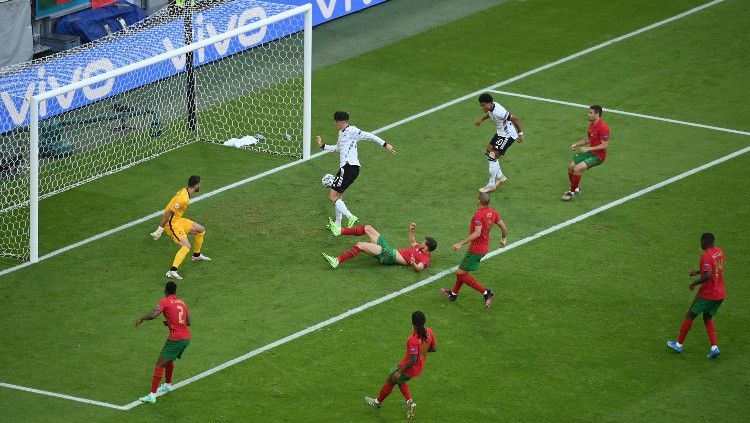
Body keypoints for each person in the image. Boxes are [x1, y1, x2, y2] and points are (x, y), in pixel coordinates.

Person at [316, 111, 396, 229]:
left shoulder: (352, 131)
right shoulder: (341, 133)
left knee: (333, 196)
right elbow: (338, 148)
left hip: (348, 167)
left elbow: (369, 136)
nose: (335, 124)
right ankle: (338, 226)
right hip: (350, 169)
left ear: (341, 122)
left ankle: (350, 216)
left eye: (336, 122)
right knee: (339, 195)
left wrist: (385, 144)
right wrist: (323, 146)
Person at [365, 311, 437, 420]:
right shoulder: (429, 332)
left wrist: (399, 371)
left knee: (391, 379)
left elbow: (412, 360)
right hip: (418, 366)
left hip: (409, 366)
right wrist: (422, 353)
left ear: (413, 323)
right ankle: (410, 402)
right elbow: (434, 348)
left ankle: (377, 402)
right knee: (398, 380)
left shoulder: (413, 339)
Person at [440, 192, 507, 308]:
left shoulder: (478, 215)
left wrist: (460, 243)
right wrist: (503, 239)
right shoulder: (493, 213)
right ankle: (453, 294)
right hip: (484, 248)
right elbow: (503, 226)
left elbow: (477, 233)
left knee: (460, 274)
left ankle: (486, 292)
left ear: (479, 200)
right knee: (463, 271)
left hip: (475, 250)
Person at [667, 233, 726, 359]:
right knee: (707, 317)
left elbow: (708, 276)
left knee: (690, 315)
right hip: (720, 294)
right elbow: (713, 268)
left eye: (701, 241)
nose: (700, 244)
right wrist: (697, 272)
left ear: (705, 242)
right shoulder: (720, 252)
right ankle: (714, 347)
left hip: (708, 294)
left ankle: (678, 345)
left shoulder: (705, 255)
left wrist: (693, 283)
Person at [136, 281, 192, 403]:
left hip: (176, 339)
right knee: (169, 359)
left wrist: (142, 318)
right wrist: (170, 322)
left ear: (165, 291)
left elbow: (154, 315)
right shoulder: (182, 303)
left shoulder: (164, 301)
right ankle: (167, 385)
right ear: (175, 291)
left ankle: (152, 395)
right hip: (186, 338)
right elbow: (188, 322)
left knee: (160, 364)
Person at [150, 175, 211, 280]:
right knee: (186, 246)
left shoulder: (186, 192)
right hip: (171, 224)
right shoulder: (182, 199)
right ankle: (172, 271)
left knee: (200, 230)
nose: (200, 185)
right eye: (200, 183)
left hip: (178, 220)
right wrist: (160, 229)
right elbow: (167, 212)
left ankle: (197, 255)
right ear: (196, 185)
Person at [322, 223, 436, 272]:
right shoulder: (419, 249)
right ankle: (339, 231)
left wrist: (413, 264)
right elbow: (412, 242)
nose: (420, 242)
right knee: (368, 228)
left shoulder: (425, 258)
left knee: (361, 245)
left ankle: (336, 261)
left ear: (426, 247)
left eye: (423, 242)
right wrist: (412, 231)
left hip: (389, 256)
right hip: (390, 250)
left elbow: (420, 268)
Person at [474, 93, 525, 193]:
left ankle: (491, 184)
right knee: (488, 151)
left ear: (489, 103)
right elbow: (489, 114)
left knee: (492, 155)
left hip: (507, 135)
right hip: (500, 133)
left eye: (483, 105)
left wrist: (521, 133)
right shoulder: (492, 108)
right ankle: (500, 177)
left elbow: (514, 119)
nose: (482, 107)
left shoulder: (499, 111)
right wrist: (481, 119)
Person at [562, 105, 610, 201]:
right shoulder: (591, 125)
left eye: (590, 113)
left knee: (577, 168)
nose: (588, 114)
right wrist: (576, 144)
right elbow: (588, 139)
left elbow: (604, 145)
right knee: (570, 166)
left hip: (599, 156)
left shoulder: (603, 127)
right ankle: (576, 188)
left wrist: (588, 149)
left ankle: (571, 193)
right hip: (591, 152)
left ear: (596, 114)